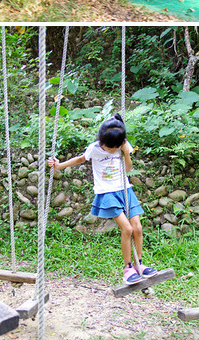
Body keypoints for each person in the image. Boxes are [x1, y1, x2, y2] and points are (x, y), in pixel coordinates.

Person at [47, 113, 157, 285]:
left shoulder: (122, 145)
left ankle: (139, 264)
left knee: (138, 227)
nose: (112, 150)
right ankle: (128, 269)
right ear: (101, 140)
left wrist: (126, 153)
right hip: (107, 193)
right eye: (109, 147)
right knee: (127, 229)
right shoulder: (94, 148)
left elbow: (128, 169)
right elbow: (80, 159)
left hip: (125, 190)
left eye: (115, 147)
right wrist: (59, 165)